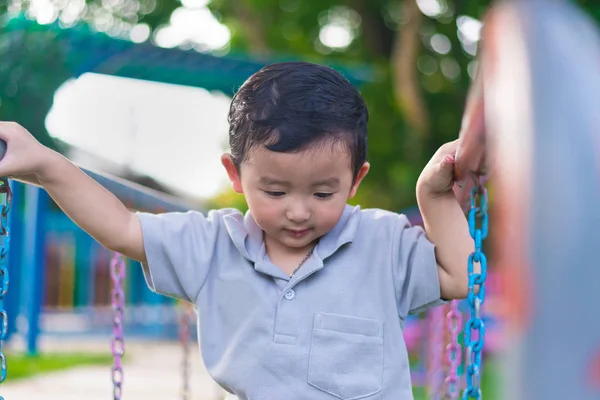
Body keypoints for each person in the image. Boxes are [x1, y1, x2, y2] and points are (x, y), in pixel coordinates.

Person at [0, 61, 473, 399]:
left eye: (323, 194)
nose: (298, 212)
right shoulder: (211, 246)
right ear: (235, 174)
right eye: (275, 191)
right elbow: (122, 227)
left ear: (356, 180)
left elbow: (455, 275)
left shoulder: (382, 243)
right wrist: (44, 163)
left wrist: (432, 196)